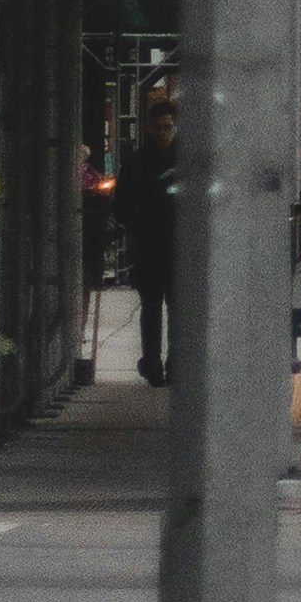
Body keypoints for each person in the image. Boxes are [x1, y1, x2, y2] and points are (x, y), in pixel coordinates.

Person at [116, 85, 178, 386]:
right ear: (150, 129)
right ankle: (156, 363)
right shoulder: (140, 162)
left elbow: (122, 205)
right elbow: (122, 204)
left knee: (171, 309)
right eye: (160, 128)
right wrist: (139, 226)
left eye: (168, 127)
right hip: (154, 245)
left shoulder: (144, 161)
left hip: (170, 245)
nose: (165, 133)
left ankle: (167, 363)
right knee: (154, 308)